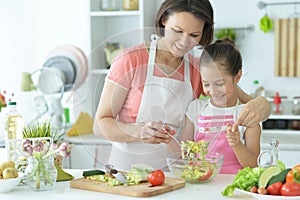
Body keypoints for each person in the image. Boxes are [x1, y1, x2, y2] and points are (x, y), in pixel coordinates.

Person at [93, 0, 269, 171]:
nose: (184, 42)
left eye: (194, 35)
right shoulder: (131, 60)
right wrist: (139, 132)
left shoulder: (196, 69)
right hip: (126, 172)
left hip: (175, 175)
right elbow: (100, 125)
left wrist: (263, 104)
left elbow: (244, 101)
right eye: (177, 31)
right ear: (164, 20)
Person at [174, 38, 261, 174]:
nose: (213, 91)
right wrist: (168, 140)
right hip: (201, 186)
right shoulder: (196, 109)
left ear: (237, 77)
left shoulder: (247, 114)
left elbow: (254, 165)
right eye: (207, 84)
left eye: (220, 84)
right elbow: (185, 154)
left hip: (234, 186)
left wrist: (237, 145)